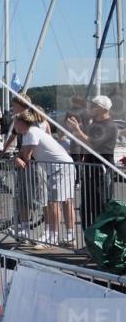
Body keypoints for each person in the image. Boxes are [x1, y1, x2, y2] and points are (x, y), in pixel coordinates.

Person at [14, 109, 76, 247]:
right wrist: (17, 157)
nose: (14, 126)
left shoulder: (30, 133)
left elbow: (26, 158)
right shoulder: (29, 133)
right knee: (65, 201)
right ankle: (68, 236)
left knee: (54, 202)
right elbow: (23, 155)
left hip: (60, 168)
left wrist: (16, 158)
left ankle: (52, 238)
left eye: (16, 123)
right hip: (62, 166)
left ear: (22, 123)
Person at [66, 95, 117, 231]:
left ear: (101, 109)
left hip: (101, 172)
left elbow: (93, 143)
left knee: (100, 208)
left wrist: (77, 130)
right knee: (86, 209)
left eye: (93, 106)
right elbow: (85, 143)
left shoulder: (110, 126)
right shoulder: (93, 124)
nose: (90, 108)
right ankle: (89, 243)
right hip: (89, 172)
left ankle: (100, 245)